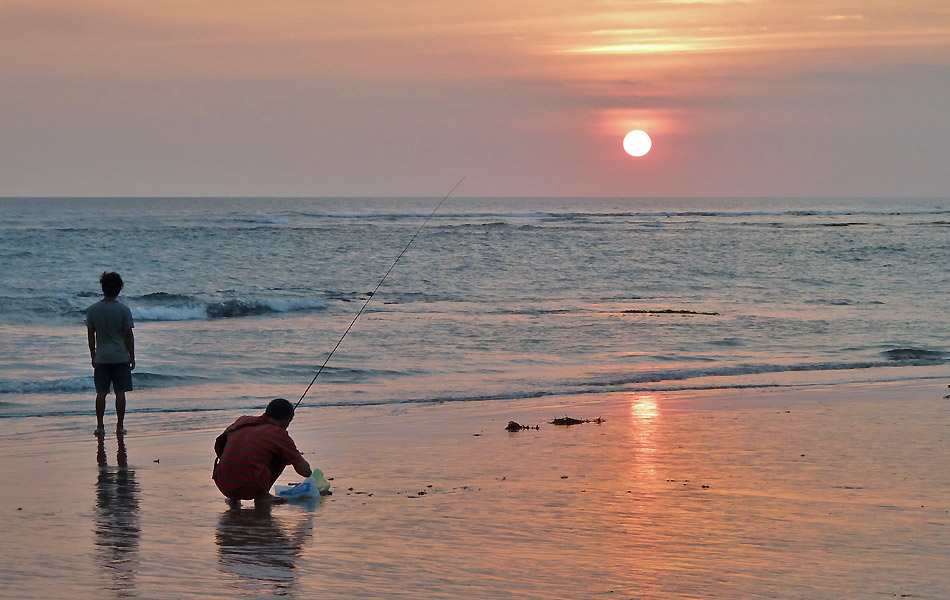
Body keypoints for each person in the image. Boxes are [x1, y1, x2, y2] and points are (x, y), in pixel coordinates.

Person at [213, 398, 312, 505]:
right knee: (281, 455)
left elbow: (220, 444)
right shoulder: (278, 433)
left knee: (240, 450)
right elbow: (305, 472)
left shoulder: (242, 420)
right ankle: (262, 496)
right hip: (249, 488)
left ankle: (234, 499)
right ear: (286, 421)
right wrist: (310, 474)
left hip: (223, 485)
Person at [86, 271, 135, 436]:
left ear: (102, 288)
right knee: (120, 393)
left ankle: (100, 427)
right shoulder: (123, 310)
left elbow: (91, 335)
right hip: (120, 356)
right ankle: (120, 426)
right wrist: (132, 355)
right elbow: (128, 335)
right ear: (119, 289)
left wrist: (92, 355)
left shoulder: (93, 310)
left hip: (102, 356)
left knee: (101, 393)